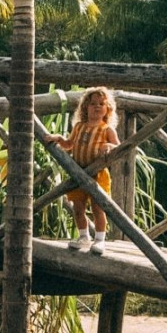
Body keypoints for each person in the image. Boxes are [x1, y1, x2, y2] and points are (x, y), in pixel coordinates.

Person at [43, 87, 120, 256]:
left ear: (108, 109)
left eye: (101, 104)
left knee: (98, 207)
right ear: (85, 107)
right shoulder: (79, 126)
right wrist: (59, 139)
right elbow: (69, 144)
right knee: (78, 208)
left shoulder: (106, 129)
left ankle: (100, 239)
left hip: (97, 174)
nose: (97, 107)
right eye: (92, 104)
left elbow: (118, 147)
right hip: (78, 172)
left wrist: (109, 146)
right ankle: (83, 235)